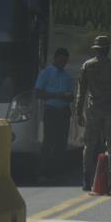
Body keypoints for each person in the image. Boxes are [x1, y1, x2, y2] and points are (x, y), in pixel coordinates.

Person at [76, 35, 111, 192]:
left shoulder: (87, 66)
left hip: (93, 110)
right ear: (107, 49)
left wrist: (78, 111)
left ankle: (86, 181)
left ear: (96, 50)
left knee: (89, 145)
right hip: (110, 110)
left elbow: (81, 92)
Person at [35, 48, 74, 178]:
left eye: (65, 61)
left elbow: (71, 96)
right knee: (48, 142)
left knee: (61, 143)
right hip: (51, 110)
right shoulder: (46, 73)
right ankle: (43, 171)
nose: (63, 63)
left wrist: (66, 96)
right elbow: (38, 93)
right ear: (55, 58)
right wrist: (56, 95)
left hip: (64, 111)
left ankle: (57, 171)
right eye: (61, 60)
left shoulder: (67, 76)